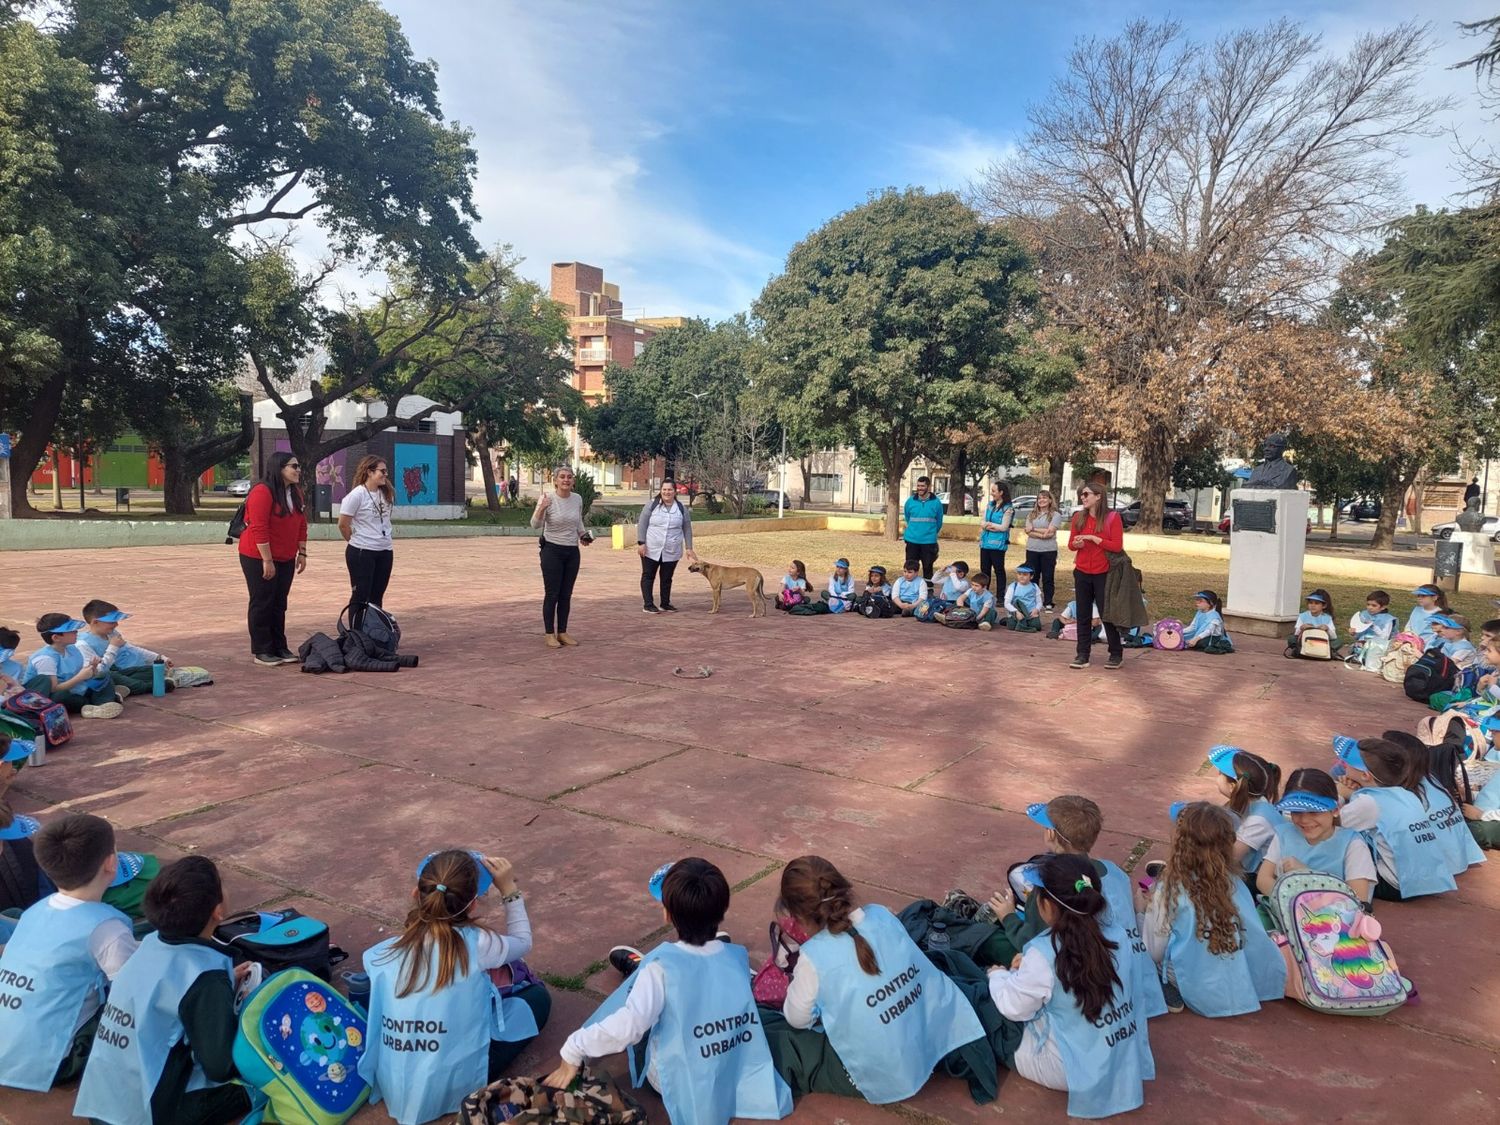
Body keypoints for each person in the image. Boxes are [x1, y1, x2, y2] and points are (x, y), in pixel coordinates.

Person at [545, 858, 792, 1125]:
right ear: (723, 910)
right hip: (732, 1068)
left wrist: (573, 1048)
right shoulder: (737, 958)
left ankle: (636, 968)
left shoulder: (661, 969)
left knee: (642, 1011)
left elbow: (629, 1027)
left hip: (677, 1080)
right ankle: (652, 967)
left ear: (667, 914)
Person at [771, 855, 984, 1104]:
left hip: (883, 1072)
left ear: (797, 917)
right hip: (925, 1039)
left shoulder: (813, 957)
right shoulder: (881, 915)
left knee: (780, 1036)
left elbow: (797, 1019)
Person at [361, 849, 548, 1125]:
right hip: (457, 1080)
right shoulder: (480, 943)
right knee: (539, 999)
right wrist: (509, 889)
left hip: (396, 1076)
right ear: (473, 904)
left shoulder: (381, 952)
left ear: (417, 894)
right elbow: (523, 941)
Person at [74, 856, 251, 1125]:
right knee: (263, 1081)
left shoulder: (150, 944)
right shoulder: (205, 978)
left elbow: (170, 993)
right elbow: (220, 1067)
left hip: (102, 1104)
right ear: (218, 911)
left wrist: (220, 988)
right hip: (149, 1115)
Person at [983, 854, 1154, 1118]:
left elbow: (1013, 1008)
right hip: (1121, 1057)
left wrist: (996, 975)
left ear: (1047, 906)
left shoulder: (1043, 951)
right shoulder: (1117, 934)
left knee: (983, 1005)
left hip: (1071, 1069)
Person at [983, 797, 1167, 1022]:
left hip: (1091, 982)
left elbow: (1033, 942)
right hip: (1138, 985)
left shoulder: (1049, 886)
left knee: (992, 938)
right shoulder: (1115, 872)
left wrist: (1008, 916)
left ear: (1051, 834)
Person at [0, 814, 137, 1092]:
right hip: (55, 1062)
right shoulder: (107, 927)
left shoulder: (35, 912)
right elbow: (135, 992)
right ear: (112, 863)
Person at [1139, 802, 1284, 1017]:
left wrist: (1142, 912)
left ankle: (1165, 988)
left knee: (1139, 934)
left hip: (1196, 989)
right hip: (1242, 982)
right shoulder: (1235, 882)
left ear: (1179, 843)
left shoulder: (1169, 890)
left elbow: (1153, 951)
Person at [1332, 735, 1485, 900]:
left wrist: (1339, 794)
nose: (1344, 764)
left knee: (1347, 843)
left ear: (1365, 776)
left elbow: (1331, 823)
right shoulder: (1406, 793)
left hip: (1395, 887)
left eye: (1348, 763)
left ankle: (1357, 901)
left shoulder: (1368, 803)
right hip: (1422, 882)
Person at [1255, 769, 1376, 903]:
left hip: (1336, 921)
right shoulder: (1284, 834)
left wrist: (1308, 875)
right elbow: (1263, 879)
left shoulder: (1352, 844)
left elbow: (1358, 899)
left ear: (1335, 810)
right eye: (1297, 812)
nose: (1304, 820)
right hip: (1287, 915)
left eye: (1314, 812)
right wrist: (1292, 906)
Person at [238, 451, 308, 667]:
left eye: (298, 466)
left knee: (279, 602)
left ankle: (279, 646)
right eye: (293, 466)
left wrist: (302, 552)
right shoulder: (263, 492)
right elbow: (259, 527)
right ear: (279, 468)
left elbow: (301, 524)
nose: (298, 470)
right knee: (262, 601)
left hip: (285, 556)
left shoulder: (295, 493)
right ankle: (262, 649)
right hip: (258, 555)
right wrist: (266, 561)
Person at [531, 466, 593, 648]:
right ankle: (549, 633)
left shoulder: (577, 499)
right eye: (562, 477)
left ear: (573, 481)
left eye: (569, 477)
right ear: (555, 480)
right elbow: (535, 524)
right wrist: (541, 509)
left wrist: (583, 535)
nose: (566, 480)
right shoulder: (547, 498)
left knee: (566, 594)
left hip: (572, 552)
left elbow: (578, 521)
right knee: (552, 594)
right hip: (552, 550)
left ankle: (563, 632)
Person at [1067, 484, 1125, 669]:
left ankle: (1116, 653)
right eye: (1081, 494)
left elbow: (1116, 546)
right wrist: (1078, 544)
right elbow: (1071, 545)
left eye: (1086, 494)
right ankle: (1082, 654)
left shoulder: (1113, 517)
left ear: (1098, 496)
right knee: (1082, 614)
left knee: (1107, 613)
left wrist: (1093, 538)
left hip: (1104, 572)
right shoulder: (1078, 517)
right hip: (1082, 571)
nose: (1082, 497)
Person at [23, 614, 123, 718]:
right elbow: (53, 689)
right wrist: (80, 677)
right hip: (57, 694)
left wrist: (92, 669)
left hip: (76, 689)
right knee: (62, 696)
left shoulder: (72, 649)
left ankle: (97, 705)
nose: (76, 632)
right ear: (56, 637)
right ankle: (100, 703)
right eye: (72, 631)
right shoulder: (45, 658)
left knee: (103, 675)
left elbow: (79, 674)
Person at [1206, 746, 1284, 879]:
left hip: (1264, 880)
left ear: (1232, 786)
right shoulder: (1252, 801)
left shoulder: (1259, 820)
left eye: (1220, 773)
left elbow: (1228, 859)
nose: (1217, 777)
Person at [338, 455, 395, 629]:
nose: (385, 475)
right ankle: (357, 634)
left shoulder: (385, 493)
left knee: (377, 596)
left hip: (385, 550)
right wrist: (355, 540)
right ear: (369, 472)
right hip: (362, 551)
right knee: (361, 594)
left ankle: (374, 632)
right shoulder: (356, 495)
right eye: (382, 471)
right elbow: (343, 524)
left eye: (386, 471)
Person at [76, 602, 173, 697]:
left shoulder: (112, 633)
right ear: (95, 622)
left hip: (129, 671)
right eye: (112, 622)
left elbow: (132, 649)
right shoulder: (84, 643)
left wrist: (159, 658)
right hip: (111, 673)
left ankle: (120, 688)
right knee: (111, 676)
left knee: (152, 670)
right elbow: (100, 670)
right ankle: (149, 687)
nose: (116, 624)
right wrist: (113, 647)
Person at [637, 479, 695, 613]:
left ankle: (665, 603)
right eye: (664, 489)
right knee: (648, 575)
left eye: (670, 490)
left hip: (671, 549)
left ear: (675, 492)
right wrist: (641, 543)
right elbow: (642, 523)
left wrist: (689, 548)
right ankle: (648, 604)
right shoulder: (652, 505)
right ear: (660, 490)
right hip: (651, 547)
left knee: (667, 578)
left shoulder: (681, 508)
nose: (666, 492)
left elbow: (687, 528)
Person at [1023, 491, 1064, 610]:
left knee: (1048, 577)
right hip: (1032, 549)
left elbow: (1050, 532)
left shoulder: (1055, 515)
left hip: (1048, 550)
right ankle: (1033, 599)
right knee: (1033, 576)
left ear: (1050, 500)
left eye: (1044, 498)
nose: (1041, 500)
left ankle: (1048, 601)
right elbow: (1027, 531)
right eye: (1039, 498)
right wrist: (1042, 534)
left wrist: (1034, 529)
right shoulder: (1031, 514)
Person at [901, 476, 945, 586]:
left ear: (928, 487)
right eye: (918, 486)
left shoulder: (936, 502)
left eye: (923, 486)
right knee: (910, 568)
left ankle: (928, 591)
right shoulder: (910, 501)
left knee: (928, 567)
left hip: (928, 541)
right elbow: (908, 517)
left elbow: (939, 522)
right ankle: (909, 589)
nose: (920, 488)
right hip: (912, 540)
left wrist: (930, 533)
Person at [978, 482, 1014, 592]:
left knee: (999, 570)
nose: (992, 493)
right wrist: (989, 526)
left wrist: (989, 525)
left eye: (994, 491)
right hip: (985, 543)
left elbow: (1004, 527)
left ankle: (1000, 596)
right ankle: (984, 593)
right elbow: (982, 521)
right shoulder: (990, 505)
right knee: (984, 571)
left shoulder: (1008, 509)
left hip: (998, 545)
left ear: (1001, 492)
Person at [1406, 584, 1450, 649]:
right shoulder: (1416, 609)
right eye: (1418, 595)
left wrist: (1418, 644)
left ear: (1434, 597)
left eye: (1423, 596)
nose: (1419, 598)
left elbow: (1436, 635)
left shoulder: (1440, 614)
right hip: (1409, 642)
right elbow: (1409, 625)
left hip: (1426, 647)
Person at [1003, 565, 1043, 632]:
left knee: (1037, 626)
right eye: (1019, 574)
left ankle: (1024, 623)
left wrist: (1036, 610)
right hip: (1017, 612)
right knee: (1011, 626)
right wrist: (1016, 612)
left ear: (1031, 576)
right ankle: (1008, 620)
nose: (1021, 576)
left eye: (1025, 574)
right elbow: (1007, 603)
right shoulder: (1013, 586)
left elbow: (1039, 602)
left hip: (1030, 613)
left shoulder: (1034, 586)